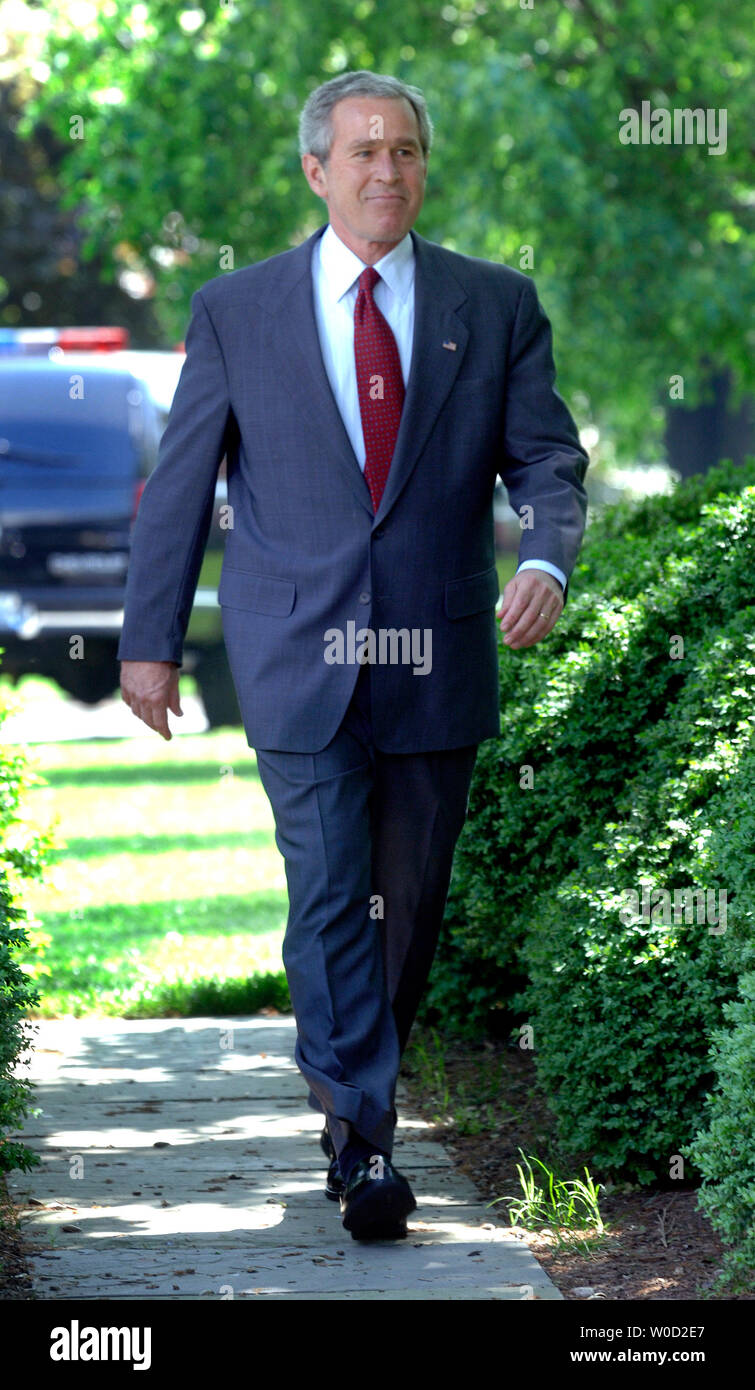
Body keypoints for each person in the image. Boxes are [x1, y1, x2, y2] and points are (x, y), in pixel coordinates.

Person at [118, 69, 589, 1241]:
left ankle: (351, 1108)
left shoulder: (493, 303)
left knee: (405, 910)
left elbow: (546, 462)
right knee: (330, 894)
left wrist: (546, 557)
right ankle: (363, 1143)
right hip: (296, 655)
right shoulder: (239, 309)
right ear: (315, 171)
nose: (388, 170)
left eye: (407, 151)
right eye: (364, 151)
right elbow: (180, 487)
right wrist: (148, 644)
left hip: (436, 655)